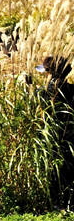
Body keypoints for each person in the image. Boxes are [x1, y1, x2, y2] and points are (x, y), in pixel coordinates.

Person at [37, 55, 74, 210]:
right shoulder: (71, 89)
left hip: (52, 137)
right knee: (69, 171)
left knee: (54, 170)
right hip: (70, 138)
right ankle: (69, 203)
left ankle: (56, 202)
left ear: (51, 73)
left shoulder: (45, 91)